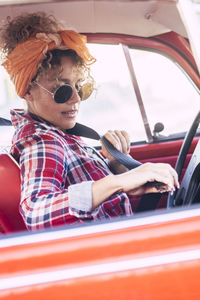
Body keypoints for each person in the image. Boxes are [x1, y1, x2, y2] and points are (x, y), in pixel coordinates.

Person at [0, 12, 179, 231]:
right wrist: (118, 182)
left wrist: (114, 166)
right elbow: (37, 212)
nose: (75, 98)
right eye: (62, 90)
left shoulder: (59, 133)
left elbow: (85, 189)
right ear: (27, 91)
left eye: (80, 87)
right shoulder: (43, 141)